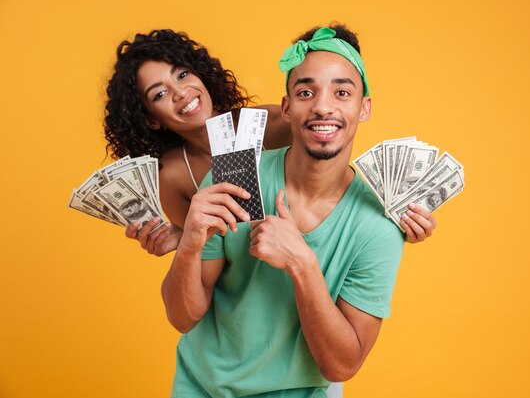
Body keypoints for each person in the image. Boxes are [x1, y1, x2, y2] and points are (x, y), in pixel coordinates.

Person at [161, 23, 416, 398]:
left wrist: (302, 262)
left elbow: (343, 365)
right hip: (203, 388)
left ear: (364, 109)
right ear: (286, 108)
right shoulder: (233, 175)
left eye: (341, 92)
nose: (323, 107)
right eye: (306, 92)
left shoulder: (379, 223)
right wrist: (191, 243)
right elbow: (182, 317)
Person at [103, 29, 435, 257]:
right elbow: (207, 261)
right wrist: (181, 240)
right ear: (150, 118)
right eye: (159, 94)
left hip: (318, 266)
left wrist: (393, 220)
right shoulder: (173, 176)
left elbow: (333, 182)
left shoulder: (274, 123)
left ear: (200, 74)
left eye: (182, 74)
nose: (180, 93)